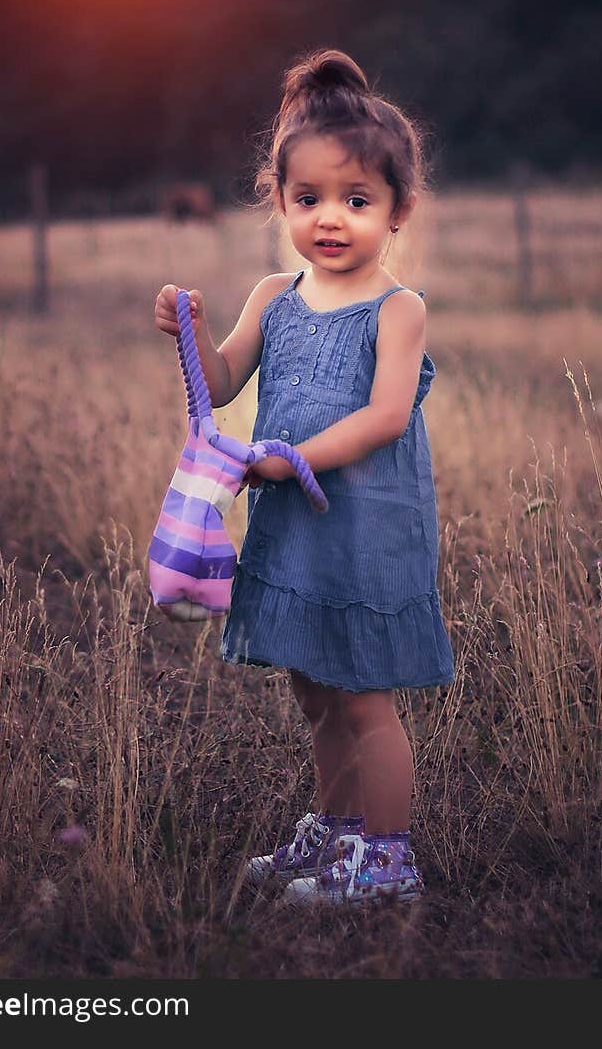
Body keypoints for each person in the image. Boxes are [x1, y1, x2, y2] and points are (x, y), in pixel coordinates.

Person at [153, 48, 454, 903]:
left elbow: (387, 415)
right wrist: (189, 327)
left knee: (365, 701)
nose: (332, 218)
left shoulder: (399, 310)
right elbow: (217, 385)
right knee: (317, 695)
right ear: (279, 197)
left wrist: (292, 458)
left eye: (358, 200)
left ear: (399, 209)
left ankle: (388, 857)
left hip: (364, 529)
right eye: (310, 198)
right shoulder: (273, 296)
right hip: (293, 532)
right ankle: (339, 834)